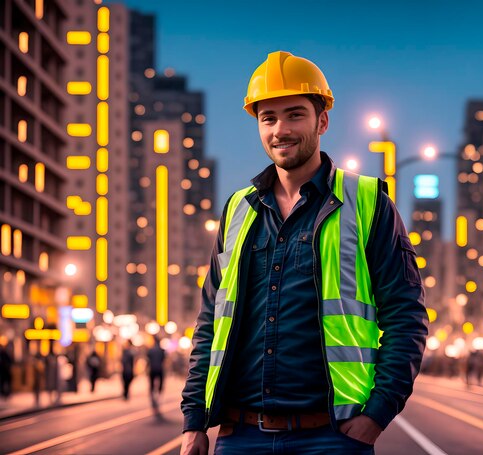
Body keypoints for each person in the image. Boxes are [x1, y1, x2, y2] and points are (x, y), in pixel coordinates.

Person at [180, 51, 428, 455]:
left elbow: (407, 315)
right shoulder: (237, 210)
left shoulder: (367, 202)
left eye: (295, 115)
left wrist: (377, 415)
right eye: (269, 118)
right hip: (240, 436)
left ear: (322, 121)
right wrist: (194, 420)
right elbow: (210, 321)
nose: (281, 129)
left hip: (332, 437)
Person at [147, 338, 166, 407]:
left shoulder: (151, 350)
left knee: (151, 382)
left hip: (152, 368)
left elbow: (148, 359)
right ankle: (159, 394)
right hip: (160, 368)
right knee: (160, 382)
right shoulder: (162, 350)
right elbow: (163, 359)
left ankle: (152, 394)